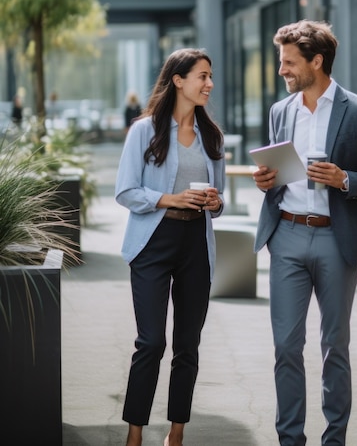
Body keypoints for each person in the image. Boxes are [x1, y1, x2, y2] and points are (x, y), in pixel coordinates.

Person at [252, 20, 357, 446]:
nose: (282, 71)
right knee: (286, 348)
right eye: (282, 62)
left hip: (337, 240)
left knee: (335, 345)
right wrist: (266, 181)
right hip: (287, 237)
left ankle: (335, 440)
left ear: (317, 61)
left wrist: (344, 179)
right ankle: (290, 439)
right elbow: (277, 175)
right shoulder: (282, 111)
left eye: (289, 63)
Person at [115, 48, 226, 446]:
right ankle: (134, 433)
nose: (209, 83)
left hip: (197, 243)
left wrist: (215, 202)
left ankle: (176, 433)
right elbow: (125, 191)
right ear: (178, 80)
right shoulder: (144, 131)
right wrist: (170, 199)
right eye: (202, 76)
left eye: (210, 76)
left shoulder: (212, 136)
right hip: (153, 243)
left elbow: (220, 197)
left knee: (187, 345)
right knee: (151, 342)